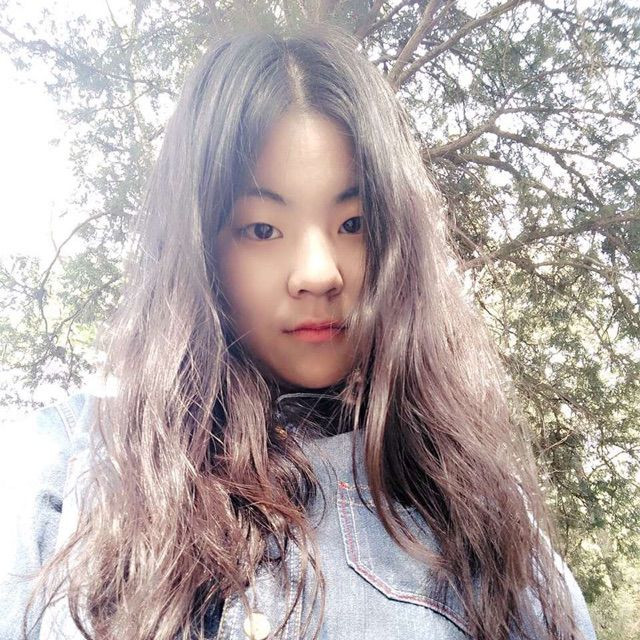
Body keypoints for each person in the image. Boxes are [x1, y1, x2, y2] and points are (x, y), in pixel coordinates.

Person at [0, 23, 597, 640]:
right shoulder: (63, 466)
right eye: (262, 229)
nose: (319, 273)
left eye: (353, 222)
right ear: (199, 252)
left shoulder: (475, 505)